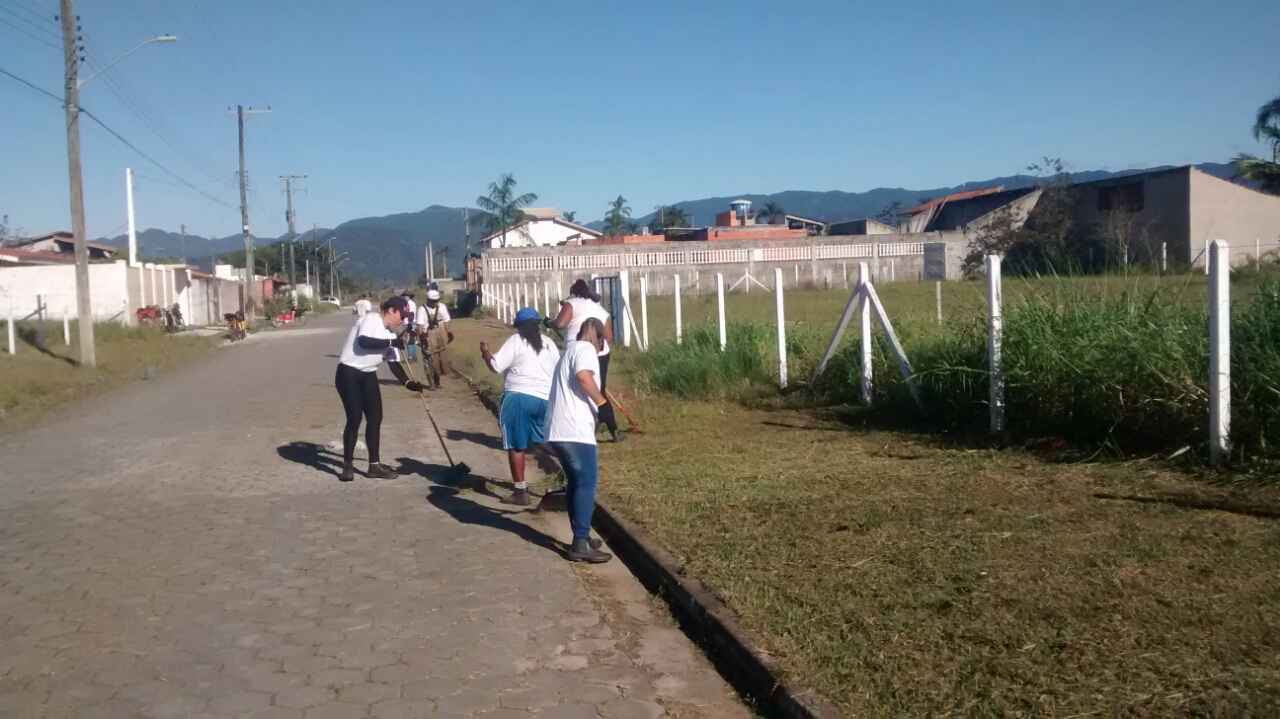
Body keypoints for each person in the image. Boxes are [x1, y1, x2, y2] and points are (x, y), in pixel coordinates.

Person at [544, 317, 612, 563]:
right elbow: (584, 377)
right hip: (574, 431)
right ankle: (580, 543)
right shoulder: (585, 349)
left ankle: (581, 535)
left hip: (558, 429)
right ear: (598, 337)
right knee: (586, 482)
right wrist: (603, 404)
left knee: (575, 482)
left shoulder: (570, 350)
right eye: (601, 343)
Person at [335, 296, 425, 482]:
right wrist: (392, 343)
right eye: (402, 314)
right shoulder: (371, 319)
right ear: (391, 310)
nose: (403, 320)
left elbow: (394, 365)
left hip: (368, 374)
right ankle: (347, 466)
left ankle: (374, 465)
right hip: (348, 374)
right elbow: (364, 342)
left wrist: (408, 383)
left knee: (375, 418)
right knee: (355, 418)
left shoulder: (390, 334)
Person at [480, 307, 560, 507]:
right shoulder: (550, 343)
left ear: (519, 326)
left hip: (517, 398)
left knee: (517, 445)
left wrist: (485, 353)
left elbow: (496, 366)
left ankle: (520, 491)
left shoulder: (516, 341)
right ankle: (571, 473)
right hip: (544, 400)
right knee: (543, 441)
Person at [550, 279, 620, 441]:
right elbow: (609, 337)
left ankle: (581, 426)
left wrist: (550, 323)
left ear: (574, 292)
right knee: (598, 391)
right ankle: (612, 429)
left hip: (578, 351)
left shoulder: (572, 303)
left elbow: (560, 324)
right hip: (601, 353)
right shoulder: (600, 309)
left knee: (573, 389)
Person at [417, 288, 453, 388]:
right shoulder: (422, 309)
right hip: (427, 335)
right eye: (433, 301)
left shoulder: (442, 307)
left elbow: (447, 321)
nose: (435, 303)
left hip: (440, 334)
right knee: (429, 360)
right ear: (428, 300)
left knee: (440, 360)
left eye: (436, 301)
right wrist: (422, 338)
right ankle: (431, 383)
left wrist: (449, 332)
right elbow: (419, 326)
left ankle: (438, 381)